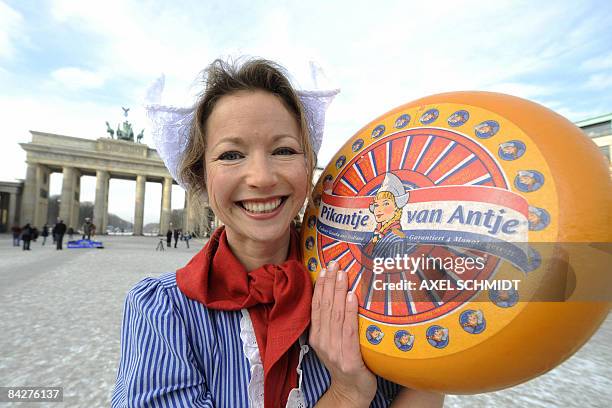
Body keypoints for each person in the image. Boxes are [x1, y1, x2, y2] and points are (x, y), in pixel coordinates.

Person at [112, 58, 444, 407]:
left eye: (283, 150)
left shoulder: (374, 284)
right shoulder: (163, 309)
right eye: (231, 155)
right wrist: (347, 393)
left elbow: (428, 385)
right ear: (200, 175)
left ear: (307, 165)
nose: (262, 177)